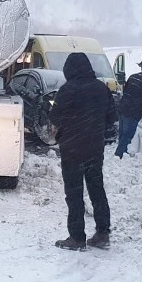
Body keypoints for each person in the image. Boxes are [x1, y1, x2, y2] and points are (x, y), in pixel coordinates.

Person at [49, 53, 118, 251]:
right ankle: (103, 233)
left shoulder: (67, 90)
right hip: (94, 149)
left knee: (74, 192)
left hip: (72, 148)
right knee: (97, 189)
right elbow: (112, 117)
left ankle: (77, 237)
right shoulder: (101, 88)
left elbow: (55, 116)